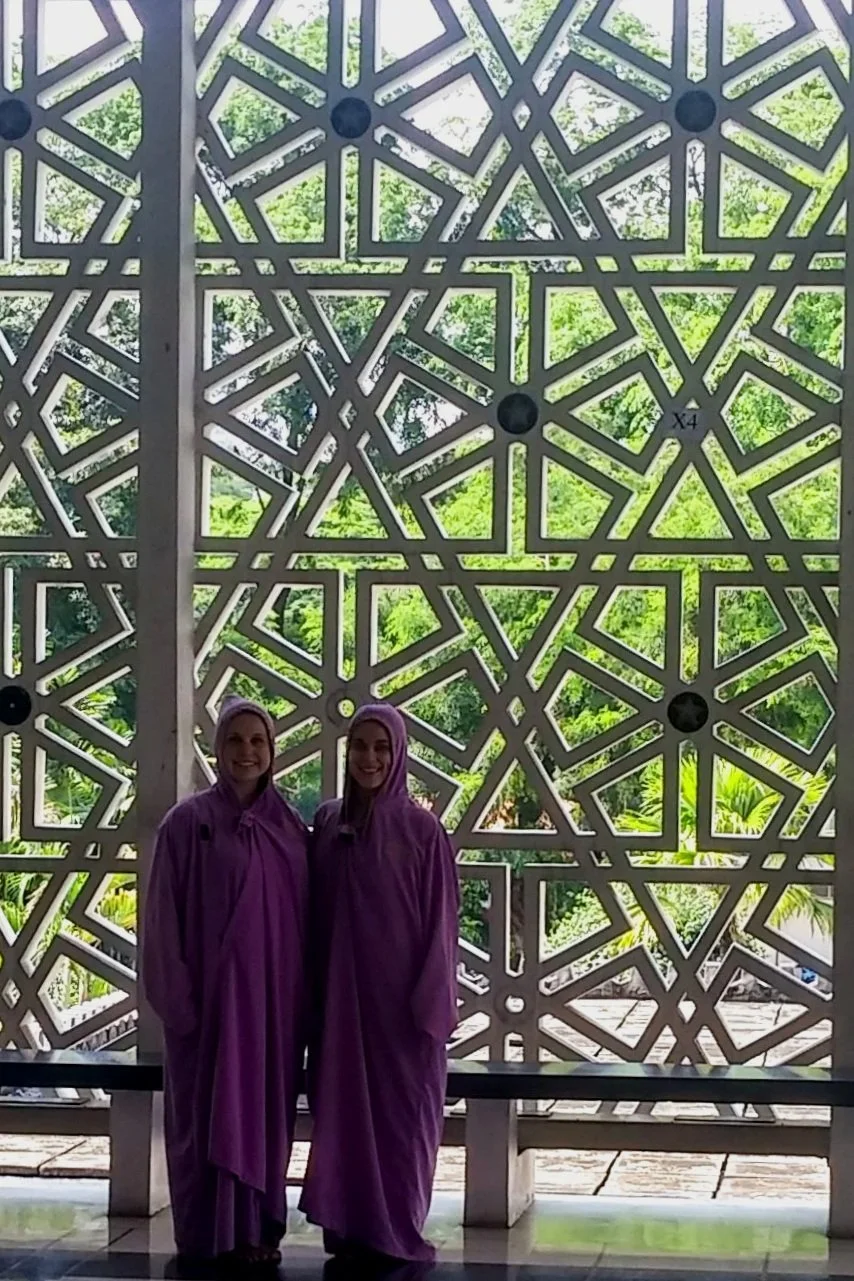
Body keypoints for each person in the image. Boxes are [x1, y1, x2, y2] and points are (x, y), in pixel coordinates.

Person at [142, 695, 308, 1266]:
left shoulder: (289, 828)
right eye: (235, 740)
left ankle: (258, 1230)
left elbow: (305, 924)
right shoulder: (187, 825)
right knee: (205, 1122)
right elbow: (162, 923)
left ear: (272, 751)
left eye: (257, 741)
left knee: (263, 1120)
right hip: (207, 1016)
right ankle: (209, 1232)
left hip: (270, 1017)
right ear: (217, 749)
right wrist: (180, 1007)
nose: (246, 751)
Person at [300, 702, 460, 1267]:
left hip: (401, 1016)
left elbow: (442, 924)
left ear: (398, 755)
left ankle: (395, 1226)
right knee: (341, 1116)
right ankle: (346, 1222)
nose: (370, 758)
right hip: (341, 1010)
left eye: (381, 748)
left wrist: (431, 1007)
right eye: (360, 746)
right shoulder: (327, 823)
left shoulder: (422, 830)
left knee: (400, 1125)